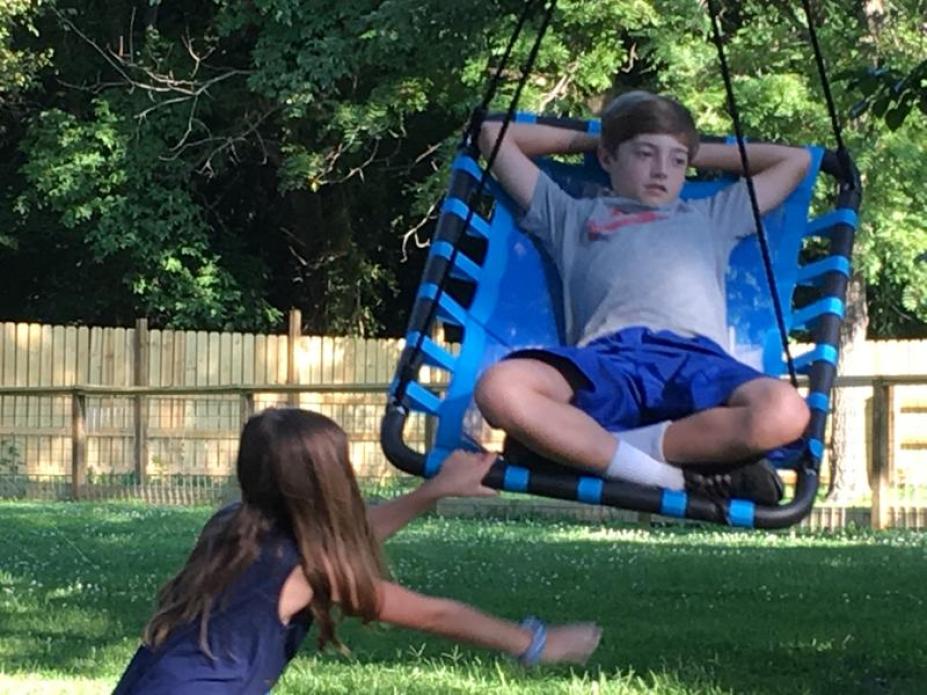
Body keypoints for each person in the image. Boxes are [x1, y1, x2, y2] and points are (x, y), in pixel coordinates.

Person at [474, 90, 813, 505]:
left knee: (786, 412)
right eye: (645, 154)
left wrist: (690, 148)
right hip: (608, 361)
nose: (661, 171)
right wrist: (603, 138)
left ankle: (588, 447)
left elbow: (795, 161)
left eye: (676, 161)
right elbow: (493, 135)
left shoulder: (712, 216)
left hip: (696, 361)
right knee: (499, 388)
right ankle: (662, 475)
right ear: (607, 159)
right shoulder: (571, 215)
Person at [112, 408, 600, 694]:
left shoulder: (231, 525)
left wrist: (433, 491)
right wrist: (535, 642)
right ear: (327, 481)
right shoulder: (307, 566)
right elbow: (434, 614)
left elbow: (345, 537)